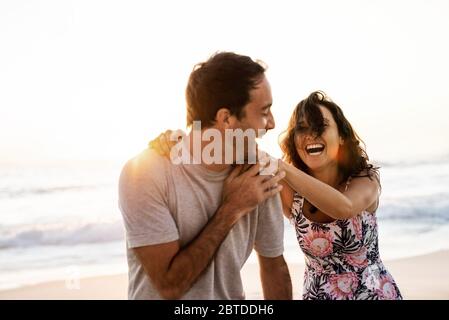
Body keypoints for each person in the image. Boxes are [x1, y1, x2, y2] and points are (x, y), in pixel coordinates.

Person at [151, 91, 402, 300]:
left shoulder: (365, 179)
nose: (310, 135)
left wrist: (280, 167)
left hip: (374, 294)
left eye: (321, 127)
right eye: (302, 128)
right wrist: (182, 142)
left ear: (343, 137)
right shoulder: (288, 189)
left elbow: (343, 207)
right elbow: (224, 169)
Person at [118, 52, 292, 300]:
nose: (272, 123)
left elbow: (274, 267)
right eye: (264, 111)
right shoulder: (146, 172)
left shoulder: (259, 174)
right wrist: (232, 208)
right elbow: (170, 286)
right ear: (226, 118)